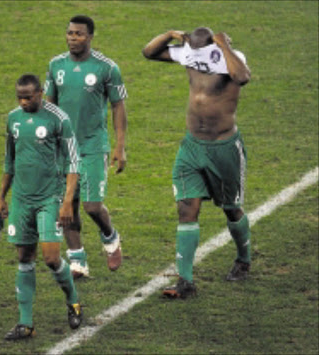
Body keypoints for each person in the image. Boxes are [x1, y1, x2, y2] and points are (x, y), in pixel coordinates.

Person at [142, 27, 252, 298]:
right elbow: (149, 52)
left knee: (231, 208)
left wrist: (224, 45)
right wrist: (169, 33)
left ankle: (243, 258)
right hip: (192, 147)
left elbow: (242, 76)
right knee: (186, 210)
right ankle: (185, 282)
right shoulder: (187, 55)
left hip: (224, 147)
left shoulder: (230, 59)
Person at [0, 74, 82, 340]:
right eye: (19, 98)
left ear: (41, 92)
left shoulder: (58, 119)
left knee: (51, 258)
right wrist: (1, 196)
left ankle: (74, 301)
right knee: (24, 258)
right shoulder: (13, 119)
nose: (23, 102)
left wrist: (67, 201)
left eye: (28, 97)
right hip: (22, 199)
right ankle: (25, 324)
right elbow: (9, 160)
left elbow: (72, 163)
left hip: (50, 198)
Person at [44, 15, 128, 279]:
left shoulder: (106, 68)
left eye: (79, 34)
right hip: (63, 149)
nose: (73, 38)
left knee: (92, 206)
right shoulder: (56, 65)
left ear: (90, 36)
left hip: (93, 145)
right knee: (67, 206)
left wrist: (120, 146)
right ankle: (78, 259)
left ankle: (111, 237)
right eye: (69, 33)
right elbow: (49, 106)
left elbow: (118, 106)